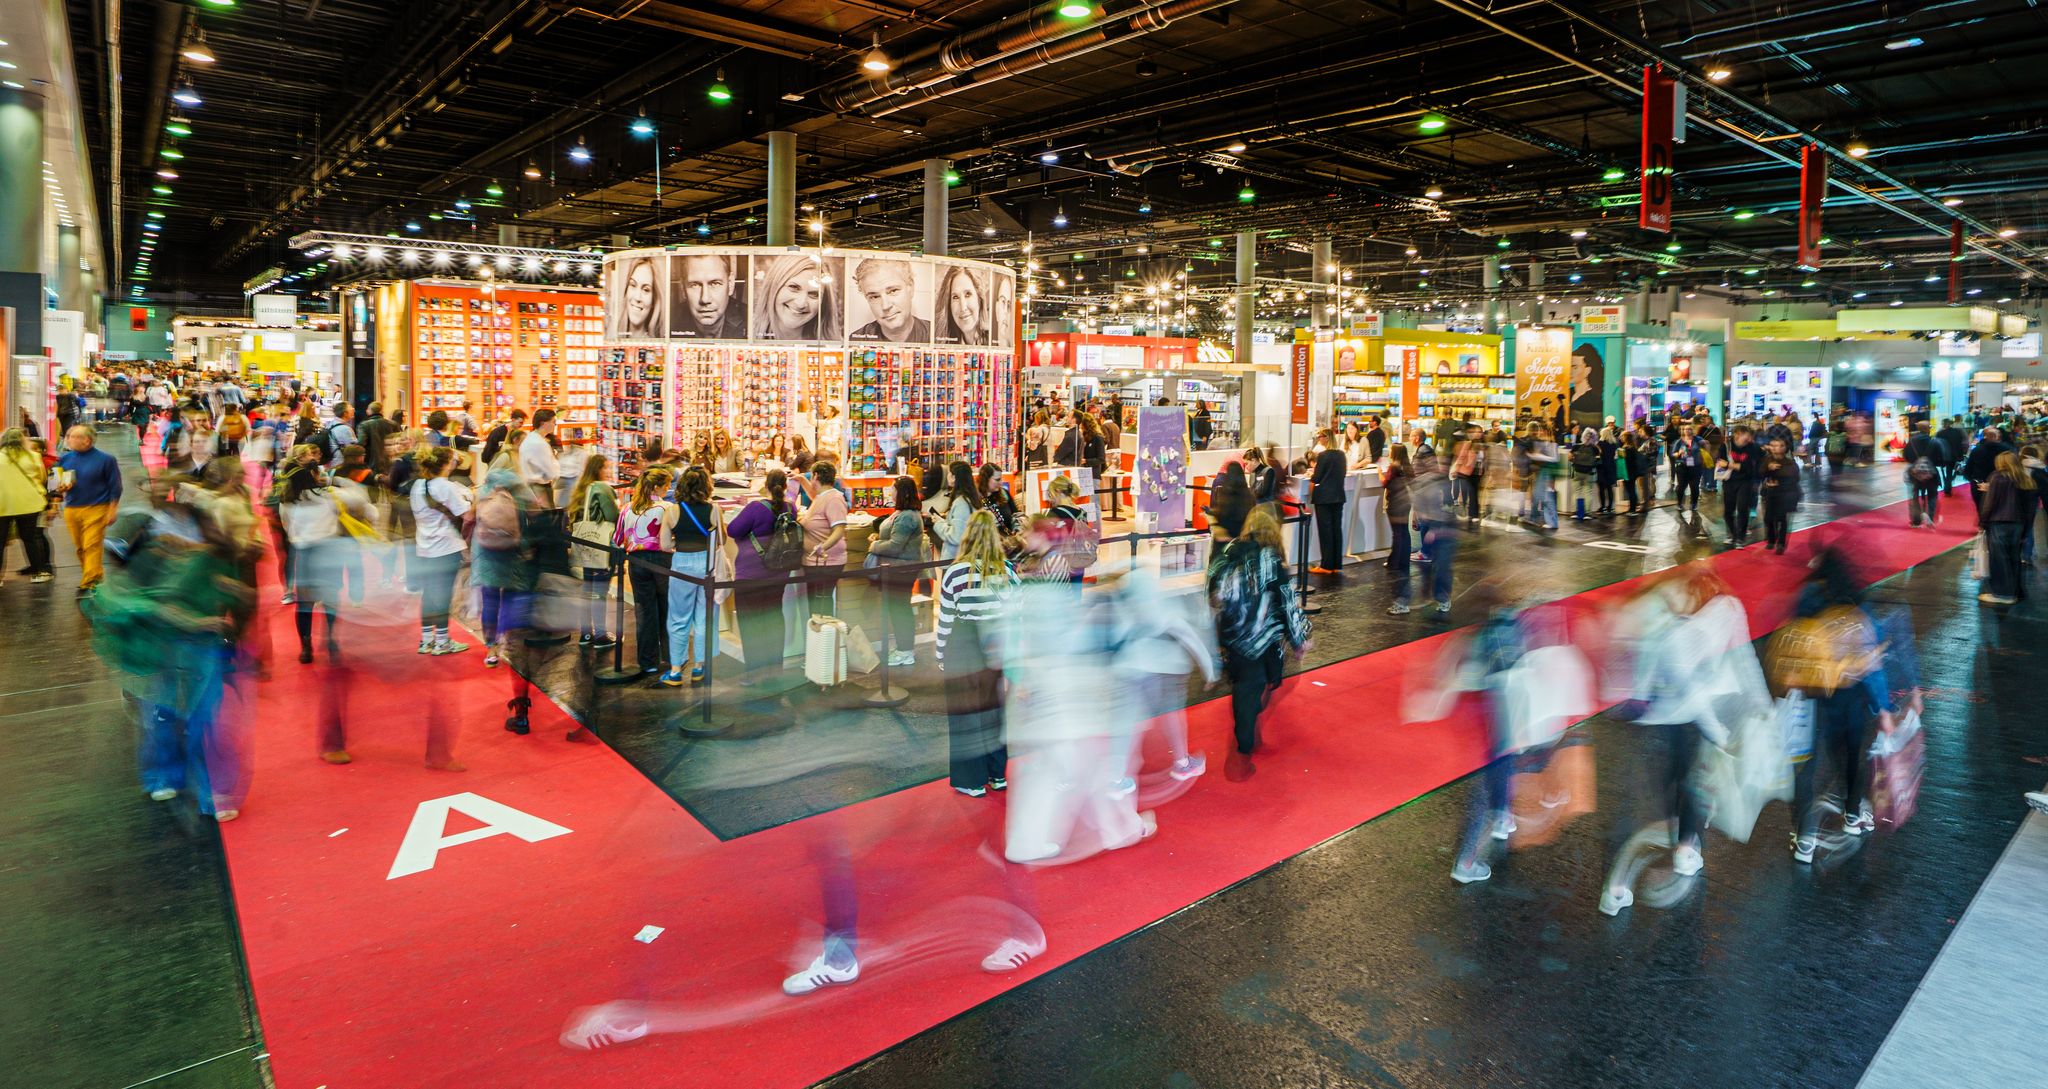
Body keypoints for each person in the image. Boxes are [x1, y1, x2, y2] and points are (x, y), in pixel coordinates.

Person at [1775, 548, 1895, 863]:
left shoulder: (1808, 596)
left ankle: (1804, 839)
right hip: (1850, 698)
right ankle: (1853, 815)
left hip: (1813, 696)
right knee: (1851, 756)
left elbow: (1792, 641)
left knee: (1806, 767)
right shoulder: (1857, 606)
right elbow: (1873, 665)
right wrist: (1882, 709)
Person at [1209, 507, 1308, 780]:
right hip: (1264, 638)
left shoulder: (1228, 552)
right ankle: (1243, 747)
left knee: (1246, 686)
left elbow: (1212, 592)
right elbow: (1287, 600)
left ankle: (1248, 734)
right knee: (1259, 686)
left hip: (1233, 637)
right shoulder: (1271, 559)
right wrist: (1299, 637)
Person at [938, 510, 1014, 796]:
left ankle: (971, 780)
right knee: (994, 712)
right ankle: (997, 774)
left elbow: (945, 618)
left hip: (963, 646)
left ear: (967, 536)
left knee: (965, 716)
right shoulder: (1006, 571)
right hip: (995, 647)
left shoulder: (956, 573)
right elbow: (1015, 613)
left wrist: (940, 655)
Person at [727, 470, 797, 678]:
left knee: (751, 623)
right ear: (785, 487)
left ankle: (754, 671)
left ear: (765, 485)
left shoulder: (755, 508)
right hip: (779, 573)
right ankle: (775, 668)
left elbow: (733, 530)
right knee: (774, 617)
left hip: (751, 573)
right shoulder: (791, 508)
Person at [614, 467, 678, 676]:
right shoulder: (667, 508)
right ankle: (670, 658)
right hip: (663, 560)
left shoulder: (628, 508)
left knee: (644, 611)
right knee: (666, 608)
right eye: (667, 484)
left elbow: (617, 539)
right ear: (658, 486)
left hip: (636, 562)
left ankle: (647, 661)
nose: (668, 488)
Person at [662, 466, 721, 686]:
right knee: (705, 617)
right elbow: (719, 542)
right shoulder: (714, 509)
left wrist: (680, 542)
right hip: (707, 564)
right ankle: (700, 667)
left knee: (678, 617)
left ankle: (676, 670)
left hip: (682, 564)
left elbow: (665, 544)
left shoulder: (672, 511)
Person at [866, 476, 928, 667]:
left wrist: (874, 544)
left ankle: (905, 651)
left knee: (900, 609)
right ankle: (903, 648)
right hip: (897, 569)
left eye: (892, 488)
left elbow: (895, 546)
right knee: (897, 608)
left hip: (901, 570)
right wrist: (879, 537)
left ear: (901, 492)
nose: (889, 491)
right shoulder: (902, 513)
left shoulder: (907, 516)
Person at [57, 425, 123, 594]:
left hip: (98, 508)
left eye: (72, 436)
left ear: (86, 440)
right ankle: (96, 574)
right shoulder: (64, 459)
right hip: (72, 508)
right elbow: (54, 484)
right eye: (69, 435)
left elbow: (115, 486)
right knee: (80, 547)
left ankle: (89, 581)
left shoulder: (107, 460)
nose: (68, 438)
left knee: (91, 545)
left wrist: (112, 509)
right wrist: (60, 489)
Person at [567, 454, 619, 647]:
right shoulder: (602, 488)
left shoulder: (582, 489)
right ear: (598, 469)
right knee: (599, 592)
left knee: (587, 590)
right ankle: (601, 635)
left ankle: (586, 633)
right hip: (601, 545)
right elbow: (612, 515)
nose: (609, 471)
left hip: (584, 543)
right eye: (606, 467)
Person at [1979, 451, 2036, 605]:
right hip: (2018, 524)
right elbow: (2030, 509)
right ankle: (2016, 591)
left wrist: (1983, 522)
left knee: (1999, 560)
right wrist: (2026, 529)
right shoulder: (2025, 479)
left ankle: (2002, 593)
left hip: (1999, 522)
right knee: (2013, 559)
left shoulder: (1997, 477)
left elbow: (1989, 503)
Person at [0, 428, 54, 583]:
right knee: (30, 538)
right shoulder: (34, 456)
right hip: (29, 504)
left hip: (3, 504)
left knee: (0, 541)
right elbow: (41, 477)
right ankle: (38, 573)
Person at [799, 461, 850, 615]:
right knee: (816, 604)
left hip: (826, 561)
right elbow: (815, 497)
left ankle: (824, 637)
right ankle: (818, 636)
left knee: (820, 606)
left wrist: (823, 546)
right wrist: (801, 480)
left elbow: (839, 528)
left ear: (816, 476)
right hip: (816, 561)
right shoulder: (823, 496)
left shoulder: (834, 499)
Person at [752, 254, 841, 340]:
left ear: (824, 302)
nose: (801, 303)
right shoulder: (745, 334)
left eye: (814, 294)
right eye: (793, 287)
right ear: (773, 287)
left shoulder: (836, 347)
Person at [849, 258, 931, 342]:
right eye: (875, 297)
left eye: (893, 291)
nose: (885, 306)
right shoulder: (855, 341)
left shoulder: (937, 333)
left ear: (910, 288)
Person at [672, 253, 746, 339]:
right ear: (682, 288)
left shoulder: (751, 321)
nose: (705, 299)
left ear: (730, 284)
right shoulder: (667, 324)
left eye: (715, 283)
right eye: (695, 285)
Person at [1382, 445, 1415, 615]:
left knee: (1397, 533)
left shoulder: (1393, 467)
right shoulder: (1407, 467)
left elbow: (1384, 483)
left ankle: (1395, 559)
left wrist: (1379, 474)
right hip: (1406, 503)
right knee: (1404, 532)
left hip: (1395, 503)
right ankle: (1402, 558)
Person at [1309, 434, 1348, 575]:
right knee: (1336, 530)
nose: (1319, 438)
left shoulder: (1323, 456)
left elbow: (1316, 477)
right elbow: (1343, 473)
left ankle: (1326, 565)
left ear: (1327, 438)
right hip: (1338, 496)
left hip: (1324, 498)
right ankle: (1336, 564)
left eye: (1320, 436)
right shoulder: (1342, 455)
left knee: (1325, 531)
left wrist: (1311, 490)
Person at [1718, 425, 1762, 547]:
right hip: (1729, 481)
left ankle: (1740, 538)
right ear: (1737, 434)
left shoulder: (1752, 448)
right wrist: (1737, 466)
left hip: (1745, 482)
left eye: (1749, 436)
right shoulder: (1726, 446)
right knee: (1728, 511)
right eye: (1746, 436)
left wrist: (1730, 465)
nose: (1748, 438)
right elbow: (1720, 462)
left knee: (1742, 508)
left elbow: (1749, 467)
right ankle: (1733, 534)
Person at [1759, 436, 1802, 555]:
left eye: (1779, 446)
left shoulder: (1789, 462)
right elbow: (1760, 473)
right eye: (1773, 446)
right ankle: (1772, 539)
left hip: (1785, 494)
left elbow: (1795, 476)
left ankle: (1781, 543)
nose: (1775, 448)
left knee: (1781, 519)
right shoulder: (1767, 460)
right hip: (1770, 494)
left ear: (1784, 448)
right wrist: (1769, 469)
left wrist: (1778, 478)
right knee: (1768, 518)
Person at [611, 254, 665, 338]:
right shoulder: (614, 334)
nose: (637, 297)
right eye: (633, 285)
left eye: (646, 290)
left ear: (654, 300)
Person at [1963, 426, 2015, 513]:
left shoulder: (1977, 450)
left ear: (1985, 436)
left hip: (1979, 483)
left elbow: (1968, 468)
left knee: (1981, 508)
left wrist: (1972, 480)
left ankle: (1983, 524)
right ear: (1998, 436)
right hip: (2002, 483)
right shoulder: (2007, 450)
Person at [1903, 420, 1944, 526]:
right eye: (1929, 427)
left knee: (1915, 496)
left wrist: (1916, 463)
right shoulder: (1934, 441)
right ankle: (1930, 517)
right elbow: (1941, 458)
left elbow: (1906, 456)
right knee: (1932, 495)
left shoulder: (1911, 442)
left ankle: (1916, 521)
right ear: (1926, 429)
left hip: (1915, 474)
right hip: (1931, 474)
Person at [935, 265, 989, 344]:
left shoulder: (993, 340)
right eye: (955, 297)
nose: (963, 307)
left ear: (979, 298)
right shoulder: (943, 342)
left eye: (968, 294)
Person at [519, 409, 561, 505]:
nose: (555, 425)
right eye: (553, 422)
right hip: (540, 490)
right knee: (545, 518)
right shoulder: (539, 443)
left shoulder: (531, 439)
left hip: (532, 488)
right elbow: (552, 472)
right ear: (543, 423)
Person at [1205, 461, 1254, 542]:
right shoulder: (1249, 496)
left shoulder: (1225, 496)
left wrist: (1209, 513)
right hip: (1243, 541)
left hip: (1226, 542)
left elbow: (1221, 517)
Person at [1669, 424, 1705, 511]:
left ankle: (1694, 504)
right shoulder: (1679, 442)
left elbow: (1706, 446)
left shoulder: (1698, 440)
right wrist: (1679, 453)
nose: (1688, 431)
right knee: (1681, 486)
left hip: (1696, 466)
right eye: (1686, 429)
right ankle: (1679, 503)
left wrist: (1704, 452)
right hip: (1682, 466)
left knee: (1694, 486)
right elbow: (1673, 454)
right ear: (1683, 431)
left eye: (1689, 429)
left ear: (1692, 430)